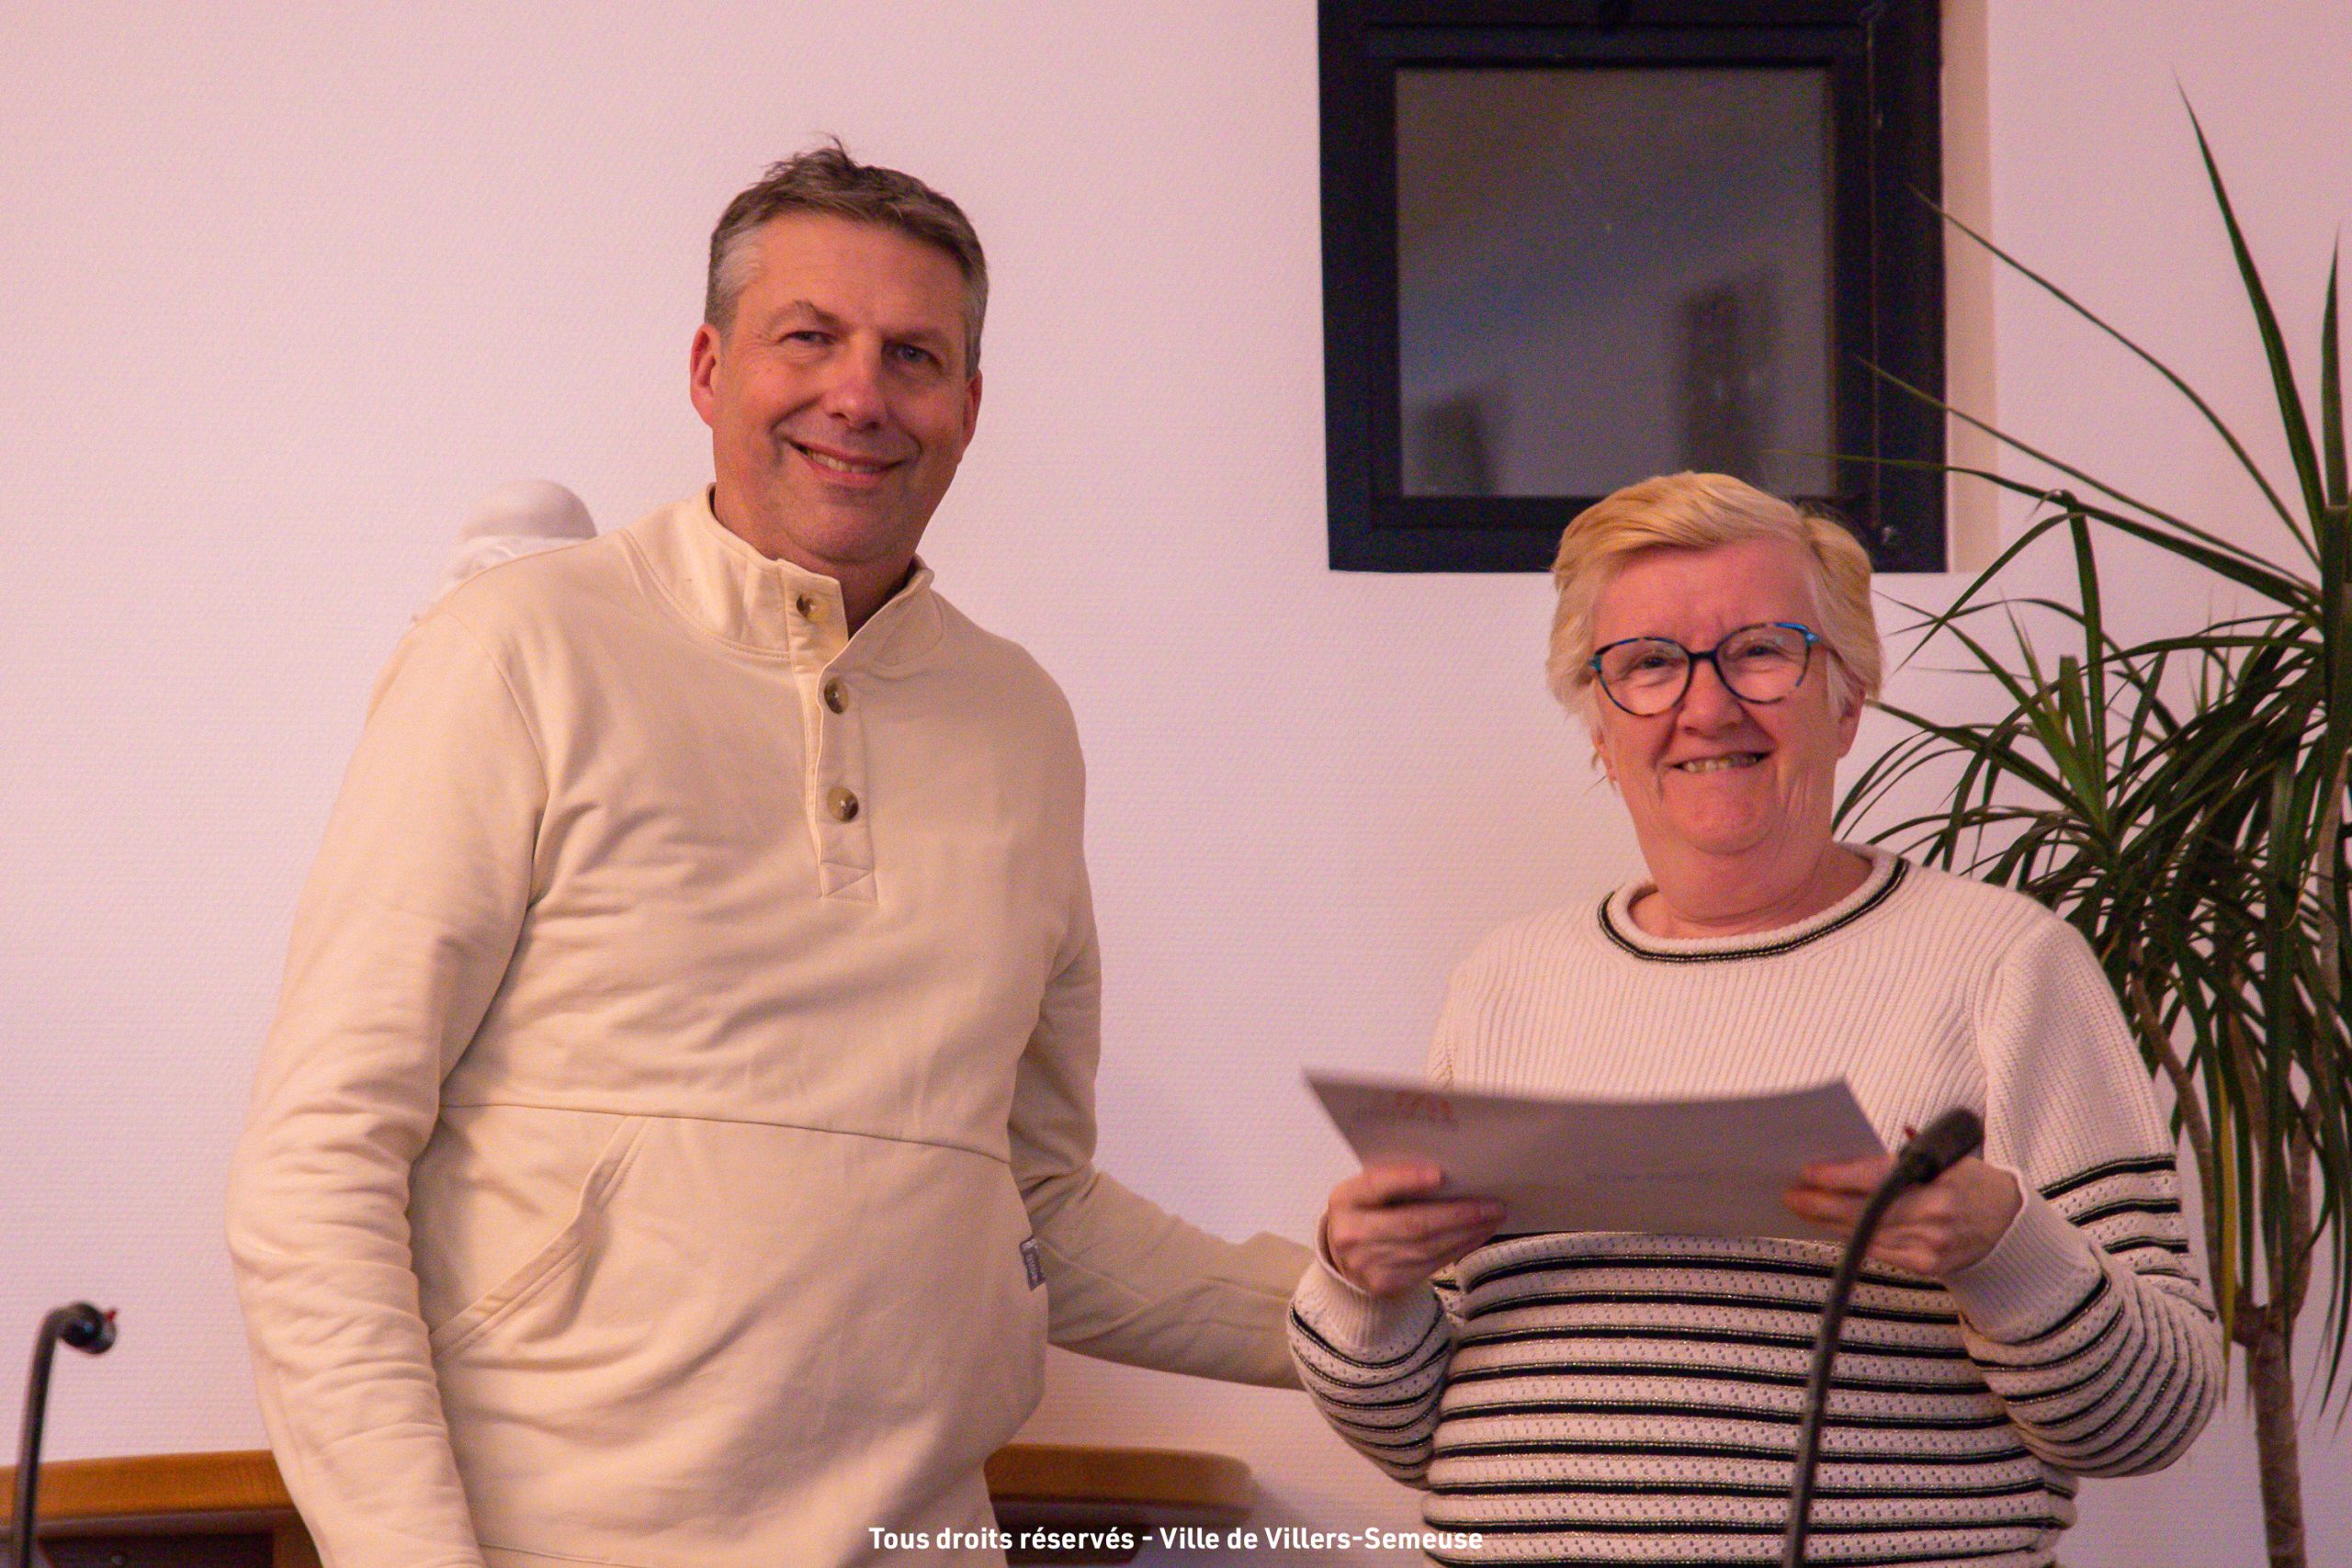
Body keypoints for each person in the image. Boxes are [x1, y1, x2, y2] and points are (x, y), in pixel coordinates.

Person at [225, 144, 1308, 1568]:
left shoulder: (1023, 720)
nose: (860, 394)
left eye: (914, 354)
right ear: (708, 368)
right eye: (809, 337)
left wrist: (1349, 1314)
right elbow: (317, 1159)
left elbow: (1031, 1200)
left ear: (971, 407)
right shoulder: (515, 650)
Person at [1289, 473, 2222, 1567]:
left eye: (1761, 651)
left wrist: (2001, 1246)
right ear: (1599, 729)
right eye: (1648, 664)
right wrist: (1361, 1290)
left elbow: (2153, 1417)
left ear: (1848, 700)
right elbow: (1421, 1439)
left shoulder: (2004, 964)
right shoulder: (1506, 980)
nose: (1707, 707)